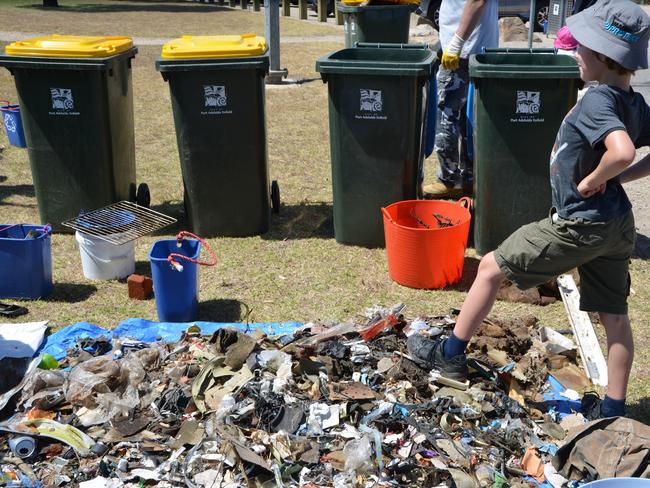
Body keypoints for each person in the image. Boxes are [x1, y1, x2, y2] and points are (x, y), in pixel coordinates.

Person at [409, 0, 650, 419]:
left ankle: (448, 356)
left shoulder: (598, 100)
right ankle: (612, 407)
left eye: (583, 48)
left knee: (488, 268)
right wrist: (616, 181)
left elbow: (623, 150)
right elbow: (630, 155)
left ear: (603, 57)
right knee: (614, 317)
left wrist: (595, 180)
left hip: (579, 224)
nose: (575, 53)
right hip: (617, 226)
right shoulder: (634, 102)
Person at [423, 0, 498, 198]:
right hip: (474, 48)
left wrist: (456, 42)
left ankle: (449, 180)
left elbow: (477, 1)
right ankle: (469, 179)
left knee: (446, 114)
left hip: (463, 51)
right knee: (469, 118)